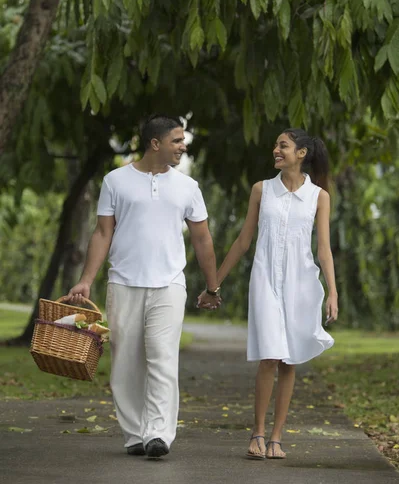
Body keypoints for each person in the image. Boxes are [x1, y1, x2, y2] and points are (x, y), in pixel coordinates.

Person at [67, 115, 220, 459]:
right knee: (125, 362)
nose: (183, 146)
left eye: (184, 141)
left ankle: (158, 435)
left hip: (169, 284)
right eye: (177, 140)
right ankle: (135, 433)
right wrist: (86, 280)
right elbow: (103, 233)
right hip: (123, 282)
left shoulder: (187, 187)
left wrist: (212, 286)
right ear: (155, 144)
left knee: (163, 358)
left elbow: (201, 238)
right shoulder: (115, 181)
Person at [205, 128, 338, 460]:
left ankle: (277, 437)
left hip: (300, 283)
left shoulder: (319, 197)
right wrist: (213, 283)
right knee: (269, 355)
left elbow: (324, 250)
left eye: (283, 145)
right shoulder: (261, 190)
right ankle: (258, 431)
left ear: (302, 153)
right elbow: (243, 242)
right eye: (277, 145)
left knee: (289, 360)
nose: (275, 150)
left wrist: (333, 292)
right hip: (264, 279)